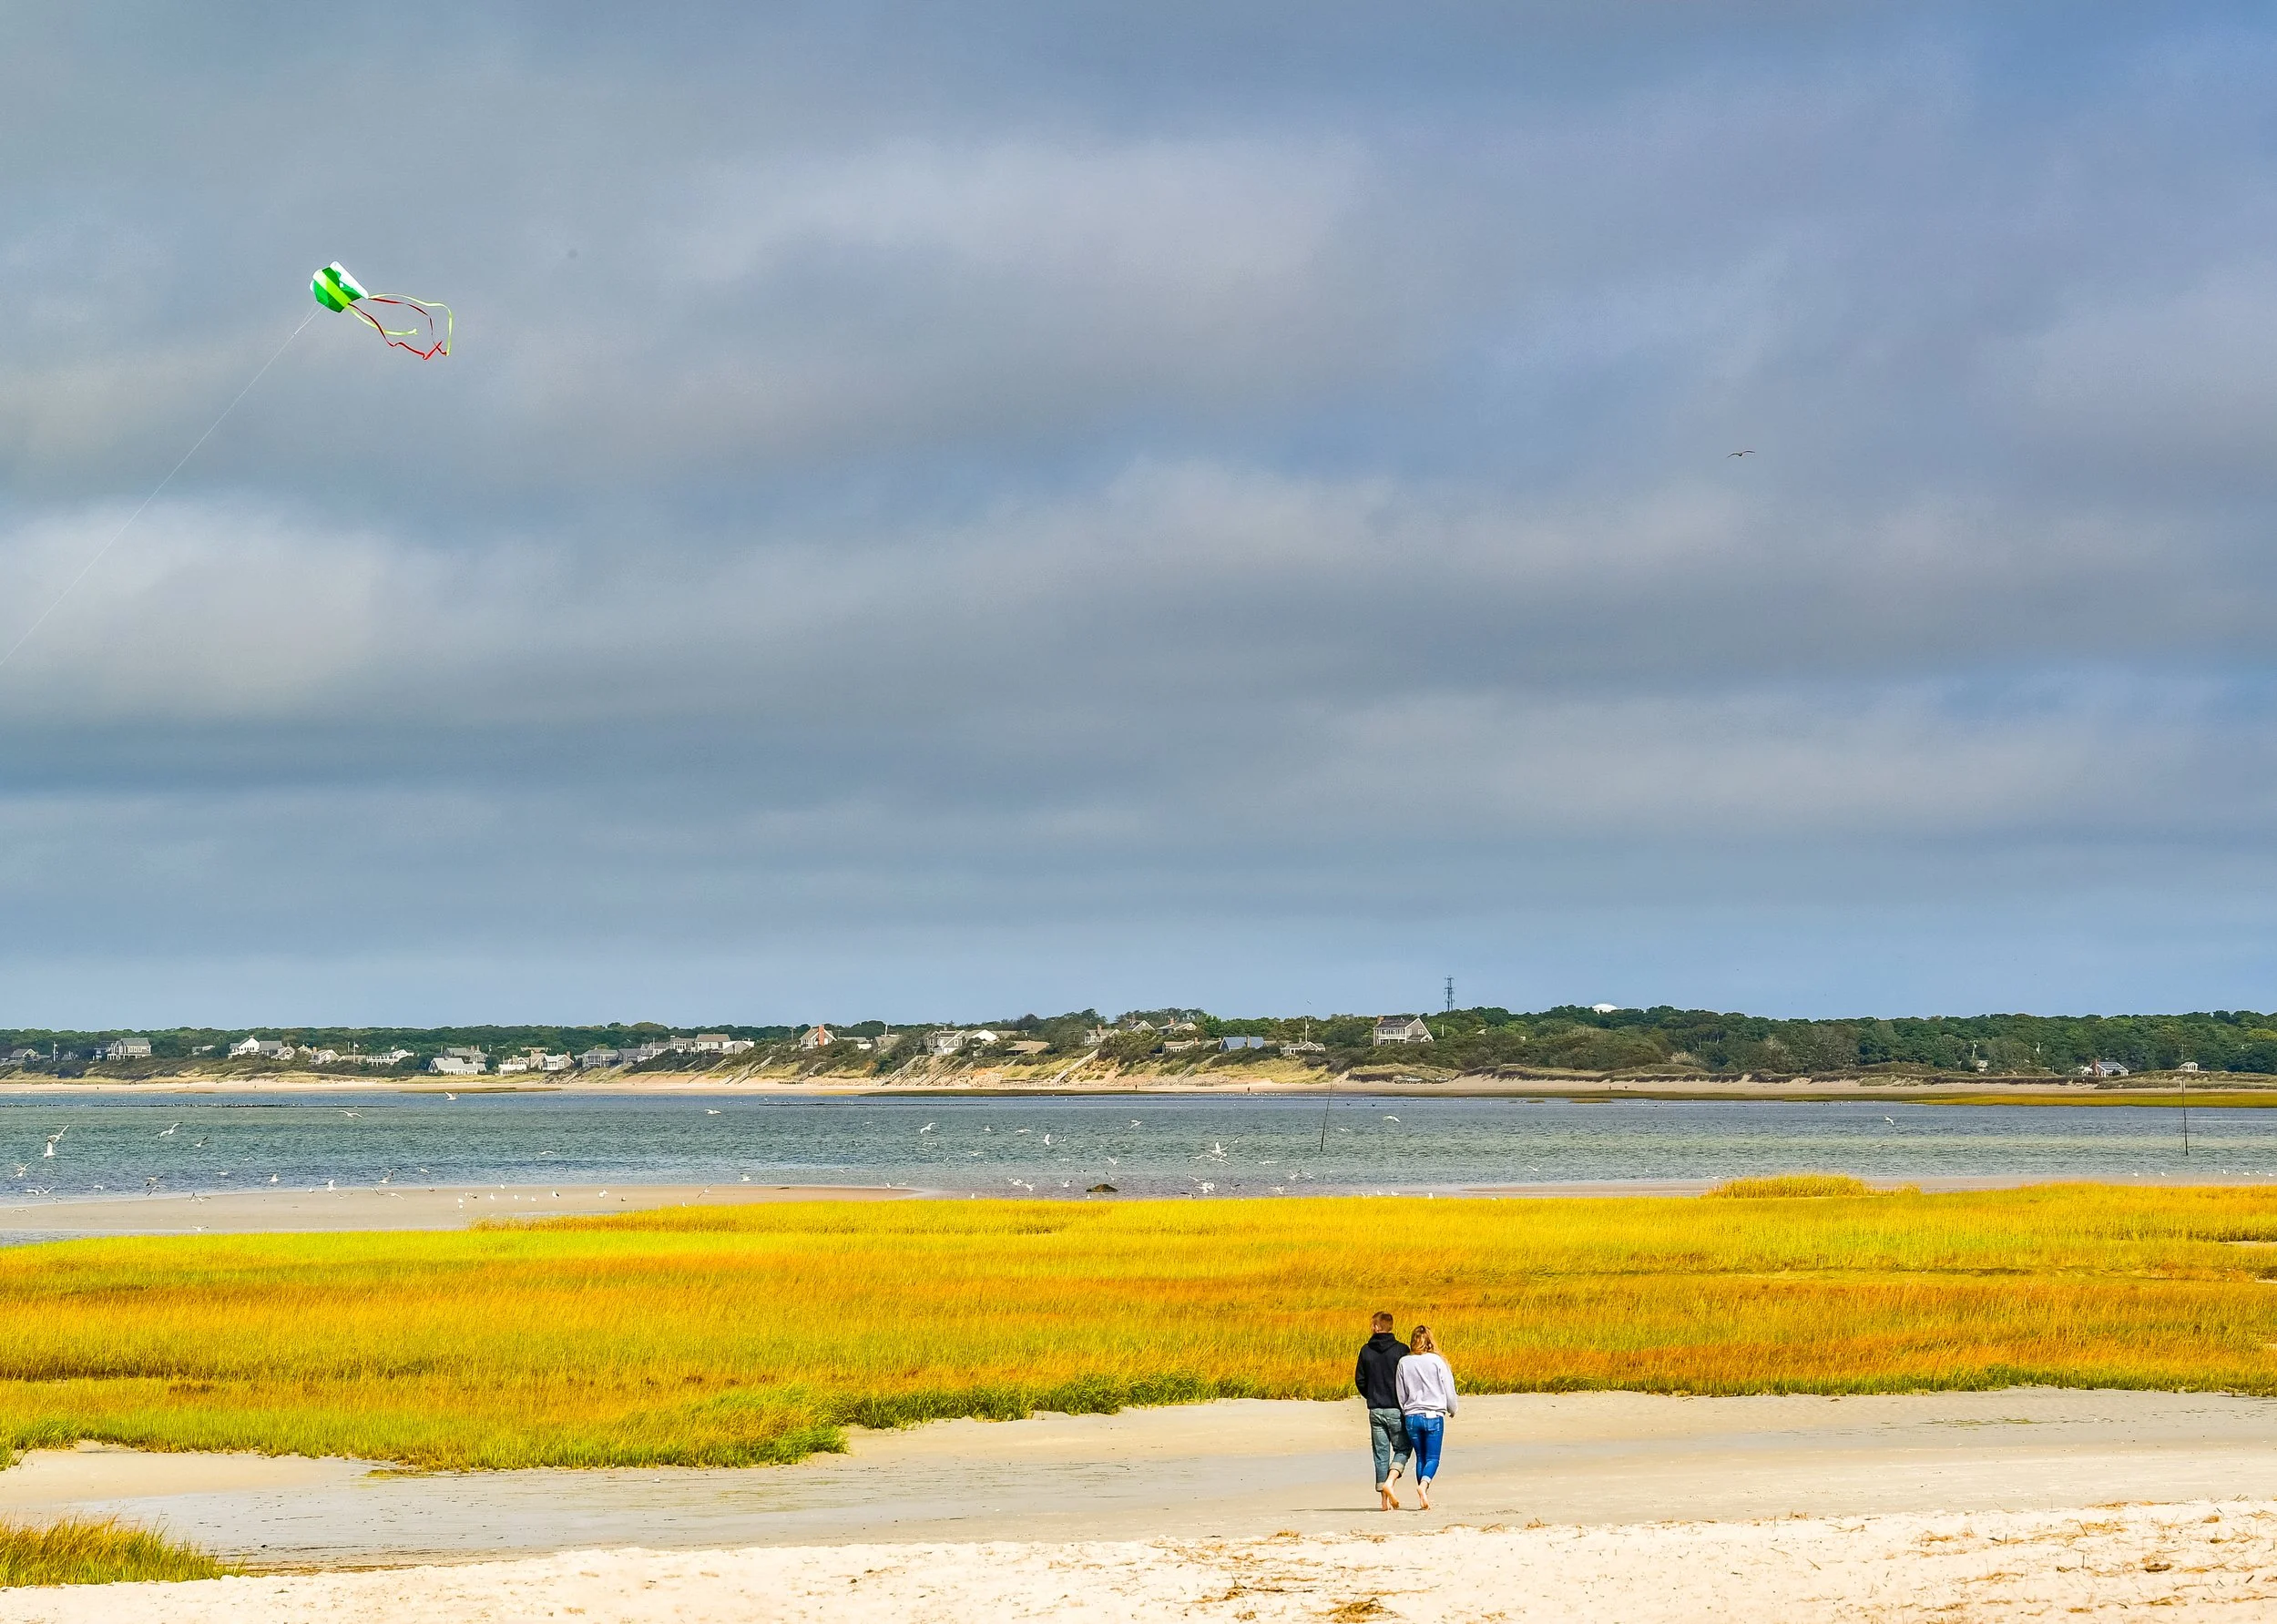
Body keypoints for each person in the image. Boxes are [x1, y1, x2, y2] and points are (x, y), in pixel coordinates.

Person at [1353, 1311, 1411, 1509]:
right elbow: (1408, 1378)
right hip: (1396, 1408)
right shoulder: (1401, 1350)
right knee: (1403, 1448)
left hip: (1375, 1408)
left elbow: (1360, 1379)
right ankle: (1390, 1483)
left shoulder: (1366, 1350)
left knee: (1380, 1454)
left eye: (1372, 1325)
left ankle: (1383, 1501)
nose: (1371, 1328)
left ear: (1378, 1327)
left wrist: (1370, 1394)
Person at [1395, 1323, 1457, 1509]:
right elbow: (1448, 1388)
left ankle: (1424, 1497)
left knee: (1421, 1456)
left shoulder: (1404, 1362)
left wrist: (1406, 1410)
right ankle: (1423, 1487)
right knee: (1433, 1458)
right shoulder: (1437, 1361)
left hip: (1412, 1415)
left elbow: (1401, 1392)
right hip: (1433, 1414)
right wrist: (1452, 1408)